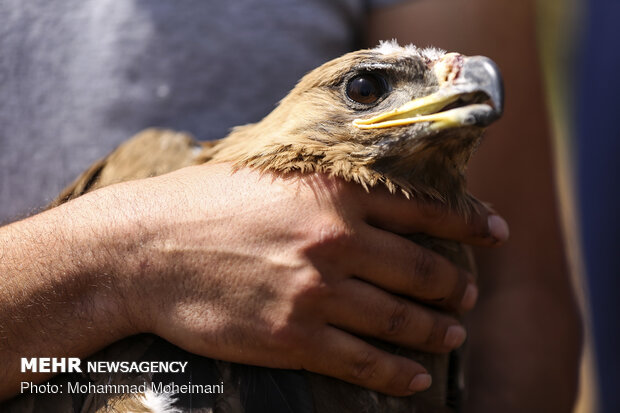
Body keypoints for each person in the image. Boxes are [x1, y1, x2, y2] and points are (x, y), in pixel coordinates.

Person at [0, 0, 581, 411]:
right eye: (367, 90)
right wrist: (122, 258)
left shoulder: (432, 247)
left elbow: (520, 305)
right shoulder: (143, 168)